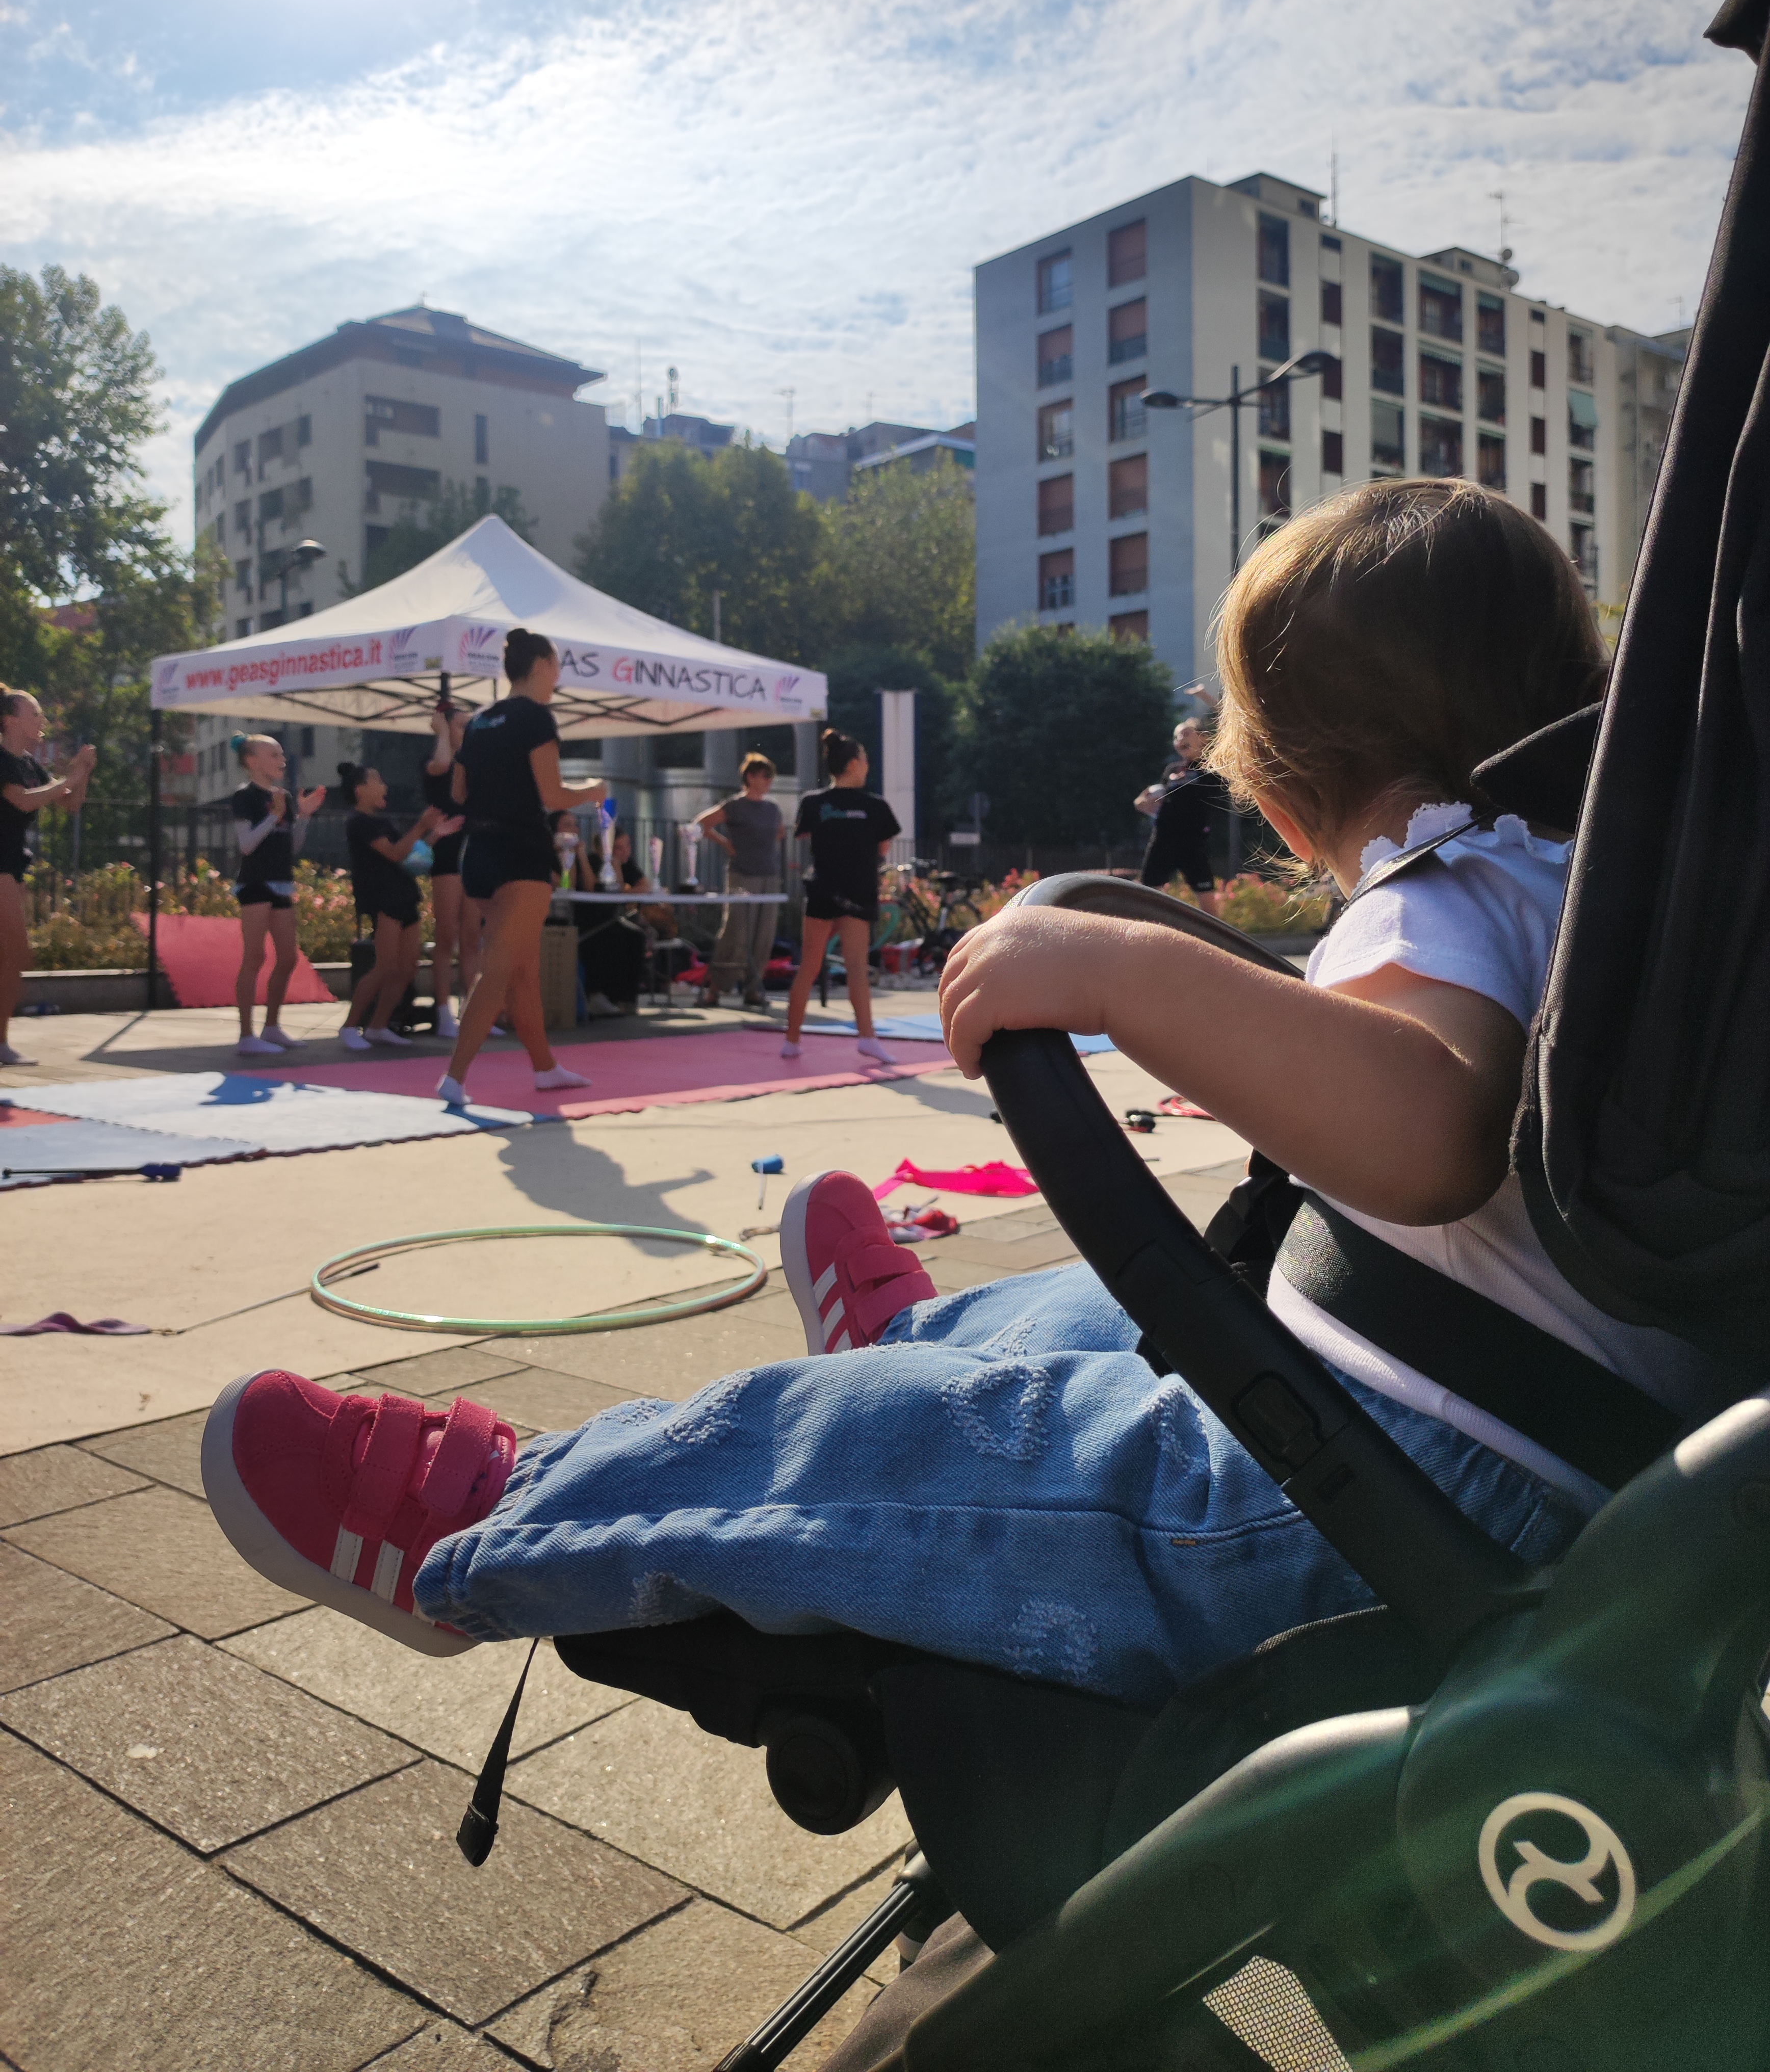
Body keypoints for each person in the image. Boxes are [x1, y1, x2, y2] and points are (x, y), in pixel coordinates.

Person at [214, 484, 1737, 1730]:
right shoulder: (1594, 895)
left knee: (914, 1456)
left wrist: (1112, 967)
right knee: (1102, 1309)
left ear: (1277, 792)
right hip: (1487, 1428)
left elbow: (1424, 1131)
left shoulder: (1448, 880)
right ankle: (908, 1342)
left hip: (1381, 1501)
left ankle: (501, 1512)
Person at [441, 627, 589, 1104]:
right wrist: (595, 791)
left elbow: (458, 794)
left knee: (523, 970)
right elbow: (553, 796)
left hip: (478, 856)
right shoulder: (536, 718)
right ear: (542, 665)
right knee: (500, 970)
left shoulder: (481, 722)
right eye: (557, 665)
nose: (559, 675)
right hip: (522, 856)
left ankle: (545, 1067)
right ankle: (455, 1078)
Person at [781, 730, 899, 1063]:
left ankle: (794, 1040)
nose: (867, 764)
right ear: (852, 764)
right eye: (863, 758)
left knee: (817, 965)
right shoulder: (867, 806)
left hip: (835, 889)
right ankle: (864, 1036)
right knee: (850, 967)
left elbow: (805, 837)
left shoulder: (819, 803)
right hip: (848, 890)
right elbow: (883, 848)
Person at [0, 688, 94, 1068]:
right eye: (35, 714)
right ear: (10, 720)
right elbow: (23, 800)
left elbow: (70, 804)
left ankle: (2, 1042)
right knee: (16, 952)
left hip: (11, 866)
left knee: (10, 958)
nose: (42, 721)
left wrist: (82, 773)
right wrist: (67, 778)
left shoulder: (30, 765)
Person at [230, 734, 327, 1055]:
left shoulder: (283, 795)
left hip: (282, 881)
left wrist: (304, 817)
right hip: (256, 884)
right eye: (273, 755)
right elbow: (246, 845)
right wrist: (275, 815)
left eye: (282, 754)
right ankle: (247, 1036)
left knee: (288, 958)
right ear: (252, 761)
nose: (281, 760)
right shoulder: (246, 797)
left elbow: (292, 845)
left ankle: (272, 1028)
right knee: (254, 957)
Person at [335, 763, 441, 1053]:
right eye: (378, 780)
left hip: (405, 896)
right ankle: (349, 1027)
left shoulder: (383, 822)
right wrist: (422, 825)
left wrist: (435, 834)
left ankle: (378, 1027)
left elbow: (409, 856)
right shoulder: (359, 822)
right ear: (360, 790)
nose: (384, 786)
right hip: (383, 900)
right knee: (384, 968)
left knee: (407, 969)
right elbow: (395, 854)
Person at [695, 753, 787, 1008]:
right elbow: (702, 824)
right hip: (742, 875)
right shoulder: (735, 806)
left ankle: (753, 988)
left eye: (771, 776)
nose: (769, 781)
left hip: (769, 875)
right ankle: (715, 989)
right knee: (737, 933)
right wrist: (726, 843)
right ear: (751, 777)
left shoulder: (773, 808)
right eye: (765, 776)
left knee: (764, 935)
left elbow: (780, 833)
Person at [420, 702, 474, 1040]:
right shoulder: (436, 765)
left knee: (472, 937)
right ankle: (443, 1013)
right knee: (447, 936)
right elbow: (441, 762)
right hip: (446, 855)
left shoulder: (475, 765)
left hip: (474, 852)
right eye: (461, 726)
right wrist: (442, 730)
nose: (467, 732)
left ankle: (473, 1010)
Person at [1136, 717, 1225, 908]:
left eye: (1185, 733)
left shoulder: (1212, 769)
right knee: (1148, 896)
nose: (1179, 739)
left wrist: (1205, 698)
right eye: (1176, 737)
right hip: (1163, 839)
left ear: (1204, 739)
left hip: (1193, 842)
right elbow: (1157, 804)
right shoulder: (1172, 770)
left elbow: (1223, 736)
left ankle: (1214, 938)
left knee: (1207, 899)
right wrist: (1143, 804)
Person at [569, 822, 647, 1016]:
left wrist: (626, 890)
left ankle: (626, 998)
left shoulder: (627, 863)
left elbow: (644, 886)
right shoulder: (595, 862)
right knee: (610, 939)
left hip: (610, 919)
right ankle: (599, 995)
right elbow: (596, 888)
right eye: (618, 847)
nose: (625, 851)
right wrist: (615, 867)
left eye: (628, 845)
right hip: (589, 919)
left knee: (636, 936)